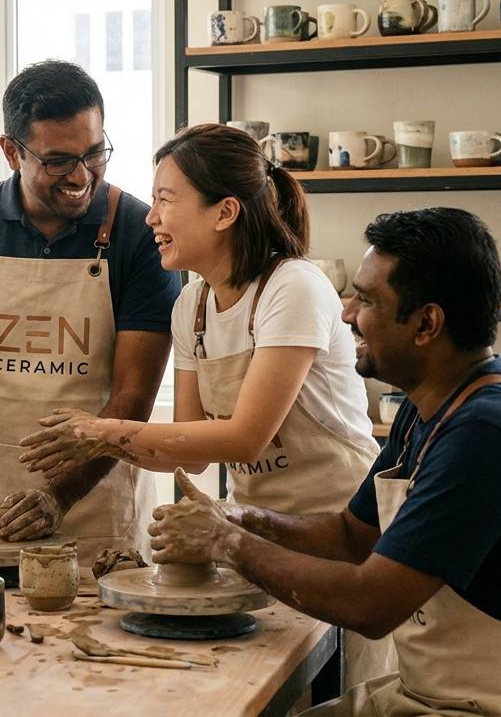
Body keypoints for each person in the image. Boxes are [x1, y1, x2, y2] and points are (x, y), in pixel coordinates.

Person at [148, 208, 501, 716]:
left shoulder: (488, 431)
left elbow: (369, 604)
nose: (348, 314)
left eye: (367, 299)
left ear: (426, 324)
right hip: (447, 692)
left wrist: (227, 542)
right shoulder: (429, 407)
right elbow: (353, 537)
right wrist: (241, 517)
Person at [20, 123, 376, 517]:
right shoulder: (192, 306)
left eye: (165, 200)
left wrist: (105, 431)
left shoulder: (293, 287)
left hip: (340, 525)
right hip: (261, 523)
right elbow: (189, 458)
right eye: (153, 200)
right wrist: (97, 443)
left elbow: (245, 440)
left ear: (224, 213)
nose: (151, 218)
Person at [0, 60, 180, 562]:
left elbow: (134, 392)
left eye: (94, 153)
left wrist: (59, 495)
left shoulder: (138, 232)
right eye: (58, 161)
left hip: (100, 515)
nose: (81, 176)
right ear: (11, 151)